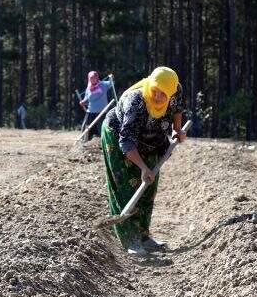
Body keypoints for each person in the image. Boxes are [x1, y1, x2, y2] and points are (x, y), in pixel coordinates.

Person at [100, 66, 186, 256]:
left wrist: (177, 129)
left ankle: (144, 236)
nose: (157, 97)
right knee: (125, 186)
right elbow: (127, 140)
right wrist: (142, 167)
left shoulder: (176, 90)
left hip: (152, 137)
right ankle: (129, 239)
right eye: (154, 91)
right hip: (119, 137)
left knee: (149, 186)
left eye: (163, 94)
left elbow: (177, 109)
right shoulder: (136, 101)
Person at [79, 71, 112, 138]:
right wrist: (83, 102)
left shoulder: (103, 84)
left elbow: (111, 83)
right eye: (91, 78)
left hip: (102, 112)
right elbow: (87, 99)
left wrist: (111, 78)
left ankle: (101, 144)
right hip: (91, 111)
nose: (93, 79)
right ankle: (85, 144)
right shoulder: (88, 88)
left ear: (97, 77)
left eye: (94, 77)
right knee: (87, 129)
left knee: (102, 129)